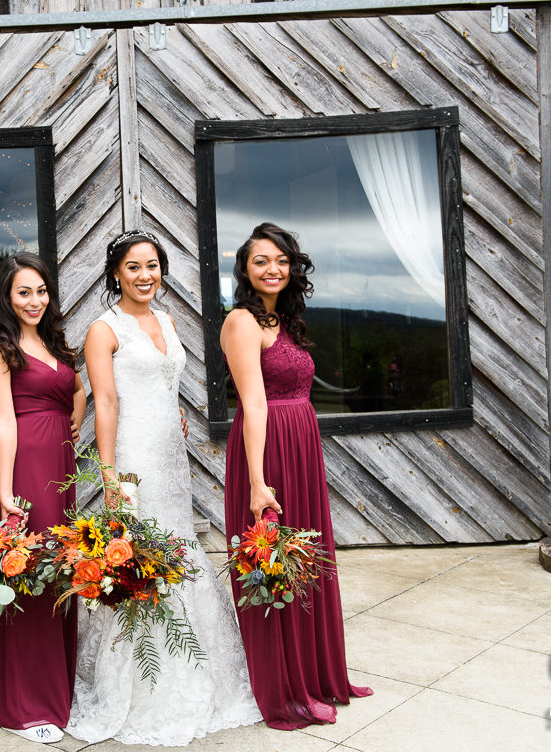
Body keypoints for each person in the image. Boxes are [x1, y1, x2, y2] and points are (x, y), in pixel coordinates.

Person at [67, 230, 262, 746]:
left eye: (152, 265)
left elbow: (164, 382)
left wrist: (171, 410)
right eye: (133, 267)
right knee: (140, 559)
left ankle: (200, 673)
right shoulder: (103, 330)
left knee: (178, 551)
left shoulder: (168, 320)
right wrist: (110, 476)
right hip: (133, 459)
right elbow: (106, 403)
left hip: (172, 459)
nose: (145, 275)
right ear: (115, 274)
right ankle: (138, 686)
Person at [220, 222, 373, 730]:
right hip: (268, 453)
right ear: (244, 268)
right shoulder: (241, 322)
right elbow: (254, 402)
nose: (273, 269)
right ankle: (282, 686)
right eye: (262, 260)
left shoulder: (284, 321)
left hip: (301, 447)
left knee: (308, 560)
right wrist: (258, 482)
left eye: (282, 260)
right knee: (275, 563)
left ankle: (315, 673)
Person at [0, 252, 86, 745]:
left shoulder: (52, 342)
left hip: (60, 469)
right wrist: (5, 491)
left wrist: (75, 419)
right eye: (24, 292)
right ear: (6, 296)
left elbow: (77, 390)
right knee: (32, 574)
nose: (35, 300)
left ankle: (57, 688)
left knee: (61, 569)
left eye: (41, 291)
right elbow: (2, 421)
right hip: (27, 465)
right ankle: (28, 704)